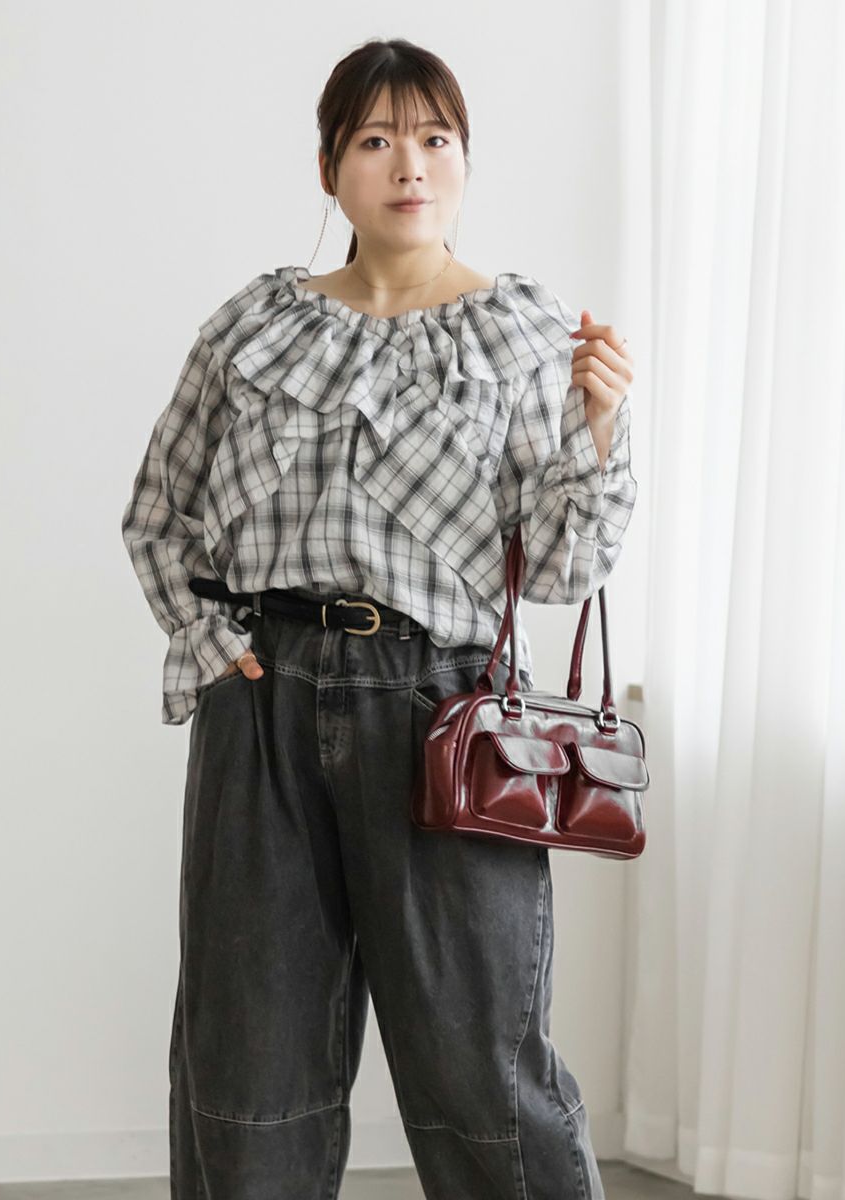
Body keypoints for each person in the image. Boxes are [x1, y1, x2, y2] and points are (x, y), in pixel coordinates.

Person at [121, 36, 637, 1200]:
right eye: (376, 139)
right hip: (264, 709)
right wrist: (213, 647)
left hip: (445, 716)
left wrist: (603, 433)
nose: (410, 164)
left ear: (465, 160)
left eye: (435, 138)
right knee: (247, 1067)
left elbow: (561, 570)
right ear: (329, 169)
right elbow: (159, 511)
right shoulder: (253, 329)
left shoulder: (525, 336)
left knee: (484, 1072)